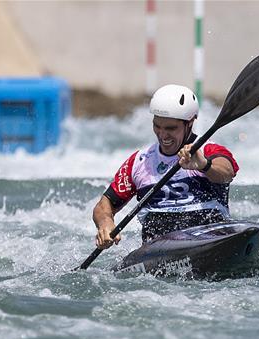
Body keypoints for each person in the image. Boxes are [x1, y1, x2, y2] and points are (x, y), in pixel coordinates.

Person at [93, 84, 239, 249]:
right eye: (157, 126)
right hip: (159, 250)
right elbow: (104, 205)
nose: (162, 135)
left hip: (211, 240)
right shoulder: (139, 161)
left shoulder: (209, 150)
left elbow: (227, 172)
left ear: (190, 123)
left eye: (171, 128)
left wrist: (203, 165)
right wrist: (105, 223)